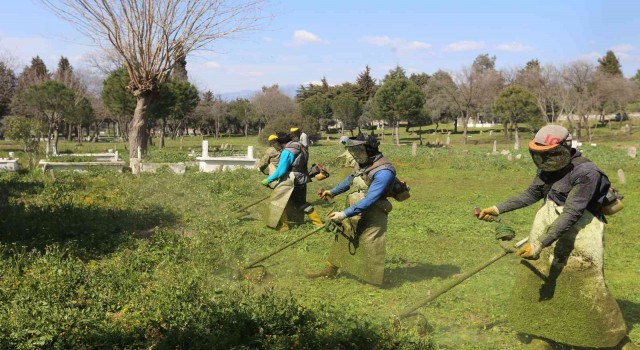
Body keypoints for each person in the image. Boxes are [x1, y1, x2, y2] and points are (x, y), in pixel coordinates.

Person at [477, 125, 636, 350]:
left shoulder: (586, 172)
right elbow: (531, 194)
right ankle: (544, 333)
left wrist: (540, 243)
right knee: (540, 277)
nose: (544, 159)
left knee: (584, 283)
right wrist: (497, 208)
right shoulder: (548, 165)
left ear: (565, 148)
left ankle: (612, 340)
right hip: (547, 226)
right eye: (540, 154)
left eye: (550, 153)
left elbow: (572, 213)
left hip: (580, 232)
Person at [305, 134, 395, 286]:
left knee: (370, 245)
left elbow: (371, 199)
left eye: (358, 150)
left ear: (369, 149)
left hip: (373, 215)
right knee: (342, 237)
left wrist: (343, 214)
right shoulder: (364, 163)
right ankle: (330, 269)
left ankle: (374, 280)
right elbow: (351, 179)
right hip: (353, 210)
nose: (354, 154)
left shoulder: (384, 171)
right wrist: (332, 191)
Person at [262, 132, 323, 231]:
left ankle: (284, 226)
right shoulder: (301, 146)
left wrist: (267, 180)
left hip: (292, 180)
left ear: (280, 142)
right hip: (302, 179)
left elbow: (280, 171)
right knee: (300, 203)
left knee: (278, 201)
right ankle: (318, 223)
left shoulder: (287, 151)